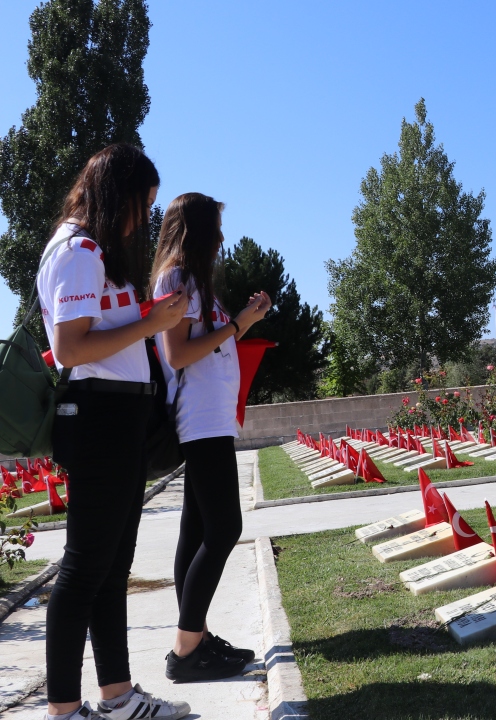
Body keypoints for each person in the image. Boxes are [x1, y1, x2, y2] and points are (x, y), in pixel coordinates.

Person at [36, 144, 192, 720]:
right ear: (114, 195)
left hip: (118, 419)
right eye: (138, 205)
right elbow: (70, 347)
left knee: (109, 569)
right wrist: (153, 322)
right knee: (83, 569)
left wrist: (154, 317)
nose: (141, 219)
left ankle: (117, 698)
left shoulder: (94, 252)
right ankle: (62, 710)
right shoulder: (77, 252)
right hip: (98, 419)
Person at [151, 194, 272, 682]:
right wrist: (239, 324)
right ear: (197, 231)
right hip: (200, 421)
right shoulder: (175, 280)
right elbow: (178, 355)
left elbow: (209, 347)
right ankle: (185, 653)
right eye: (216, 229)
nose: (222, 239)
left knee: (198, 533)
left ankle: (195, 636)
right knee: (223, 530)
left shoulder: (195, 282)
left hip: (213, 417)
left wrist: (244, 319)